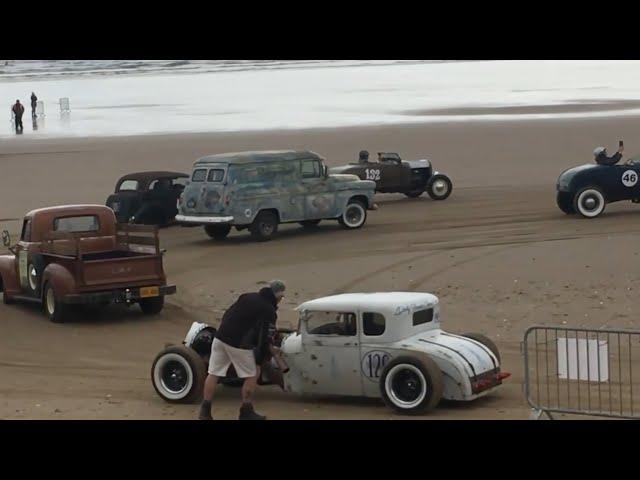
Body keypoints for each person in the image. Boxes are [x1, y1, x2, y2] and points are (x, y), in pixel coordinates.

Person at [198, 279, 286, 420]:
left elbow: (228, 314)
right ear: (278, 296)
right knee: (252, 374)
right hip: (237, 344)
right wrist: (260, 359)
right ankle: (246, 410)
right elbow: (265, 337)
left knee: (213, 373)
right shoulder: (269, 310)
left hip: (220, 337)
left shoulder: (247, 296)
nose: (281, 300)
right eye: (282, 297)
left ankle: (205, 411)